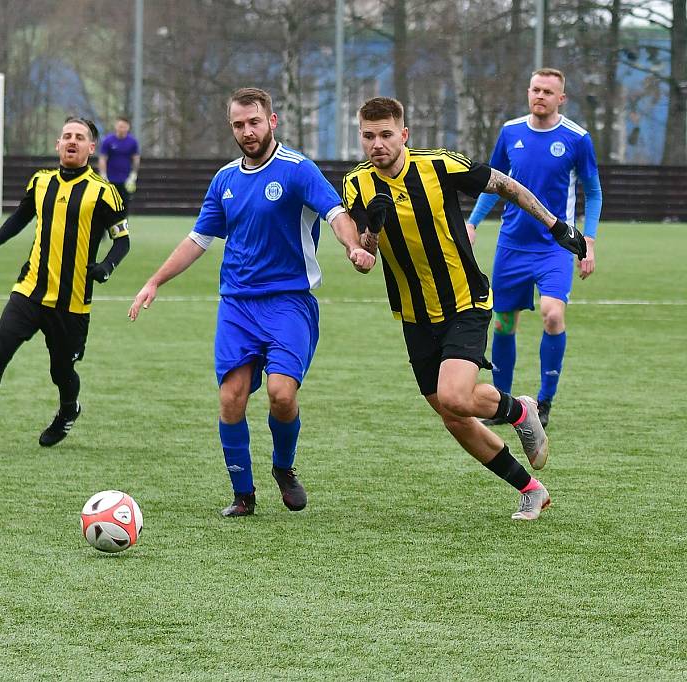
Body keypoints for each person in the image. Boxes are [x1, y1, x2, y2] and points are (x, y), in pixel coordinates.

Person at [129, 87, 375, 517]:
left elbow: (336, 214)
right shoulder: (225, 179)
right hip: (237, 306)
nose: (247, 131)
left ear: (272, 121)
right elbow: (198, 239)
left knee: (281, 394)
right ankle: (243, 494)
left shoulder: (298, 170)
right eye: (239, 125)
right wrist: (155, 281)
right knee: (231, 398)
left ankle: (283, 468)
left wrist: (353, 247)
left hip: (288, 302)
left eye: (254, 122)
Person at [343, 97, 587, 520]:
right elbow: (366, 257)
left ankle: (518, 411)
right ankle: (531, 489)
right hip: (414, 314)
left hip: (464, 300)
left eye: (386, 135)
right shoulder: (355, 185)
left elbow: (507, 186)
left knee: (456, 397)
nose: (377, 144)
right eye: (368, 136)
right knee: (453, 415)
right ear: (360, 136)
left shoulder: (439, 164)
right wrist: (373, 232)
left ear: (404, 134)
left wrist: (555, 225)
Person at [0, 117, 131, 454]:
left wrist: (106, 266)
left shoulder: (104, 193)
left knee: (61, 371)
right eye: (66, 136)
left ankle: (68, 409)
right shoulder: (40, 182)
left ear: (91, 148)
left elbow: (122, 242)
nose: (71, 141)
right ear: (57, 145)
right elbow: (21, 216)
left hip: (71, 302)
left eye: (80, 137)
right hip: (29, 290)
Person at [466, 68, 602, 429]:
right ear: (528, 92)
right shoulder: (511, 132)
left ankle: (544, 401)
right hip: (512, 245)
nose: (540, 96)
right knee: (505, 322)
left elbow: (594, 190)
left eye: (548, 91)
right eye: (535, 89)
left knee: (552, 314)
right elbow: (491, 182)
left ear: (562, 98)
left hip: (556, 246)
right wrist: (473, 222)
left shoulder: (577, 138)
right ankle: (503, 402)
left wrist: (588, 241)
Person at [99, 115, 141, 209]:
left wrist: (133, 175)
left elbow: (136, 159)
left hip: (126, 180)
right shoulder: (108, 141)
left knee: (124, 205)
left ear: (128, 127)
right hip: (110, 180)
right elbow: (102, 158)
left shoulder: (133, 142)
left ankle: (123, 223)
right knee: (108, 206)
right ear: (116, 126)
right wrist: (103, 175)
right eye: (120, 126)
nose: (122, 129)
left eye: (124, 126)